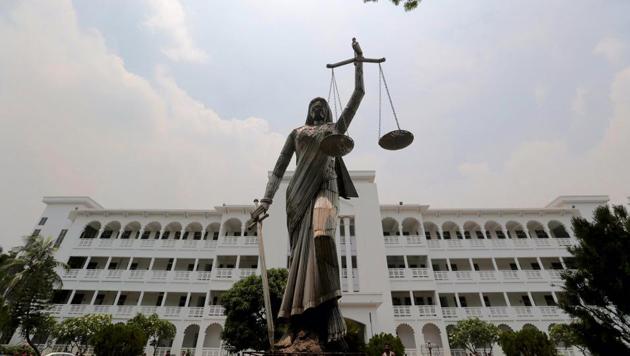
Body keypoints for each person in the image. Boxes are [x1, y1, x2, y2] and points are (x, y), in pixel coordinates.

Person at [257, 38, 365, 348]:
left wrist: (358, 65)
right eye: (313, 107)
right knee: (301, 260)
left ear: (328, 110)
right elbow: (278, 168)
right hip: (297, 198)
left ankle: (332, 308)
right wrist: (266, 199)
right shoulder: (298, 133)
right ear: (308, 112)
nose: (318, 109)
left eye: (323, 106)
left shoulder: (334, 129)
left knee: (322, 235)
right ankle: (299, 323)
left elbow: (358, 96)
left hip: (325, 189)